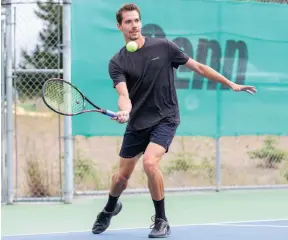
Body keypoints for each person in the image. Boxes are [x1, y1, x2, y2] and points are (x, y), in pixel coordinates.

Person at [92, 3, 257, 238]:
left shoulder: (164, 46)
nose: (133, 26)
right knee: (121, 178)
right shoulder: (117, 62)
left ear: (141, 22)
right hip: (137, 123)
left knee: (150, 163)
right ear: (119, 26)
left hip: (166, 118)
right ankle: (110, 208)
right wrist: (125, 111)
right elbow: (123, 95)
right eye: (128, 22)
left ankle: (161, 220)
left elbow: (198, 67)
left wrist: (231, 84)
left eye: (136, 20)